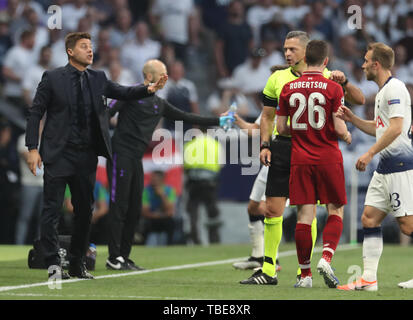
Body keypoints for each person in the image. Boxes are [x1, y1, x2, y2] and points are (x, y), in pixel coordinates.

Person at [25, 32, 167, 280]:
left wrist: (149, 89)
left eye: (90, 47)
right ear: (70, 51)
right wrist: (32, 148)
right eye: (83, 47)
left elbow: (123, 92)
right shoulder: (52, 78)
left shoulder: (99, 78)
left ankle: (77, 263)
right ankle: (53, 266)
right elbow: (35, 112)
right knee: (51, 210)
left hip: (86, 155)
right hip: (58, 154)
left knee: (84, 212)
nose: (90, 51)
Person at [240, 30, 365, 286]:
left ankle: (303, 272)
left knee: (306, 210)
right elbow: (266, 116)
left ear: (305, 53)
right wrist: (265, 144)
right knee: (276, 210)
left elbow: (360, 99)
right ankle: (268, 268)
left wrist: (347, 81)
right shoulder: (277, 78)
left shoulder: (325, 77)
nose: (287, 53)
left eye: (292, 49)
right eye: (285, 49)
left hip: (303, 148)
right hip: (287, 148)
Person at [105, 59, 232, 270]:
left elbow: (187, 116)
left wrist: (219, 121)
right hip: (120, 154)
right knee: (120, 205)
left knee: (135, 207)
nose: (166, 78)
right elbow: (104, 114)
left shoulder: (158, 103)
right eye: (162, 74)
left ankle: (123, 256)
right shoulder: (128, 94)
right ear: (148, 77)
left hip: (135, 158)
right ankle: (113, 256)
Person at [336, 43, 413, 291]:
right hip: (386, 167)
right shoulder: (382, 91)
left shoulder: (396, 89)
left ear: (376, 64)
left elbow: (396, 128)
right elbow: (380, 128)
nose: (363, 65)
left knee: (408, 226)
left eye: (366, 61)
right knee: (369, 219)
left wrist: (369, 153)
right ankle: (369, 279)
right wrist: (353, 119)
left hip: (401, 166)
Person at [277, 39, 352, 288]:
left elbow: (280, 128)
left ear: (305, 59)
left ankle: (305, 275)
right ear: (326, 62)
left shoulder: (288, 88)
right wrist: (347, 134)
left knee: (304, 216)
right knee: (335, 209)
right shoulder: (333, 89)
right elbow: (339, 127)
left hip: (300, 159)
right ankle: (327, 257)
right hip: (328, 157)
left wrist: (300, 131)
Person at [183, 126, 223, 244]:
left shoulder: (190, 145)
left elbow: (185, 166)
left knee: (193, 210)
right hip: (210, 183)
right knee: (212, 211)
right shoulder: (215, 145)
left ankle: (195, 239)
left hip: (193, 182)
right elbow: (220, 164)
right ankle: (214, 239)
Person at [141, 170, 177, 246]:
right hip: (151, 219)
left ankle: (170, 246)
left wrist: (162, 195)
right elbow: (145, 212)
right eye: (152, 179)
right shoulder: (146, 191)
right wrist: (156, 215)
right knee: (143, 224)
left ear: (162, 180)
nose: (153, 182)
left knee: (171, 223)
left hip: (164, 218)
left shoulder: (170, 190)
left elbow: (170, 211)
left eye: (156, 180)